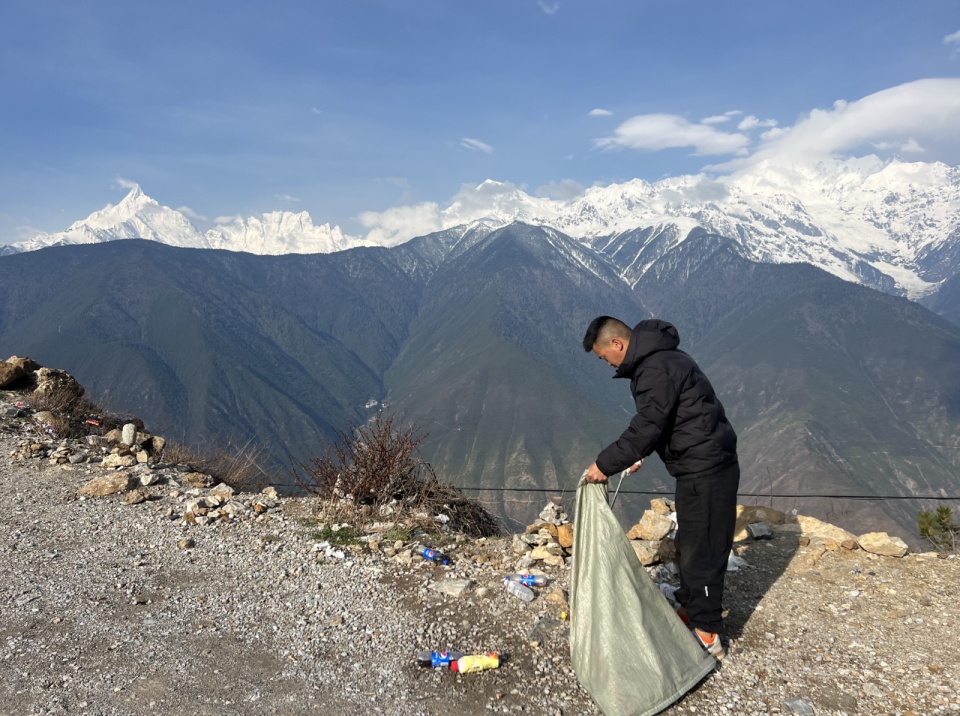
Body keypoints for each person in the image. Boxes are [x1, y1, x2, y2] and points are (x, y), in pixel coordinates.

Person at [582, 316, 739, 660]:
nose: (605, 363)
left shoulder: (654, 369)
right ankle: (690, 606)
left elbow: (648, 426)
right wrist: (635, 456)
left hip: (707, 468)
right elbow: (671, 419)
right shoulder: (664, 358)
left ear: (618, 345)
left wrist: (605, 463)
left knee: (704, 551)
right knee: (689, 542)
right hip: (698, 465)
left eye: (603, 356)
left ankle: (707, 634)